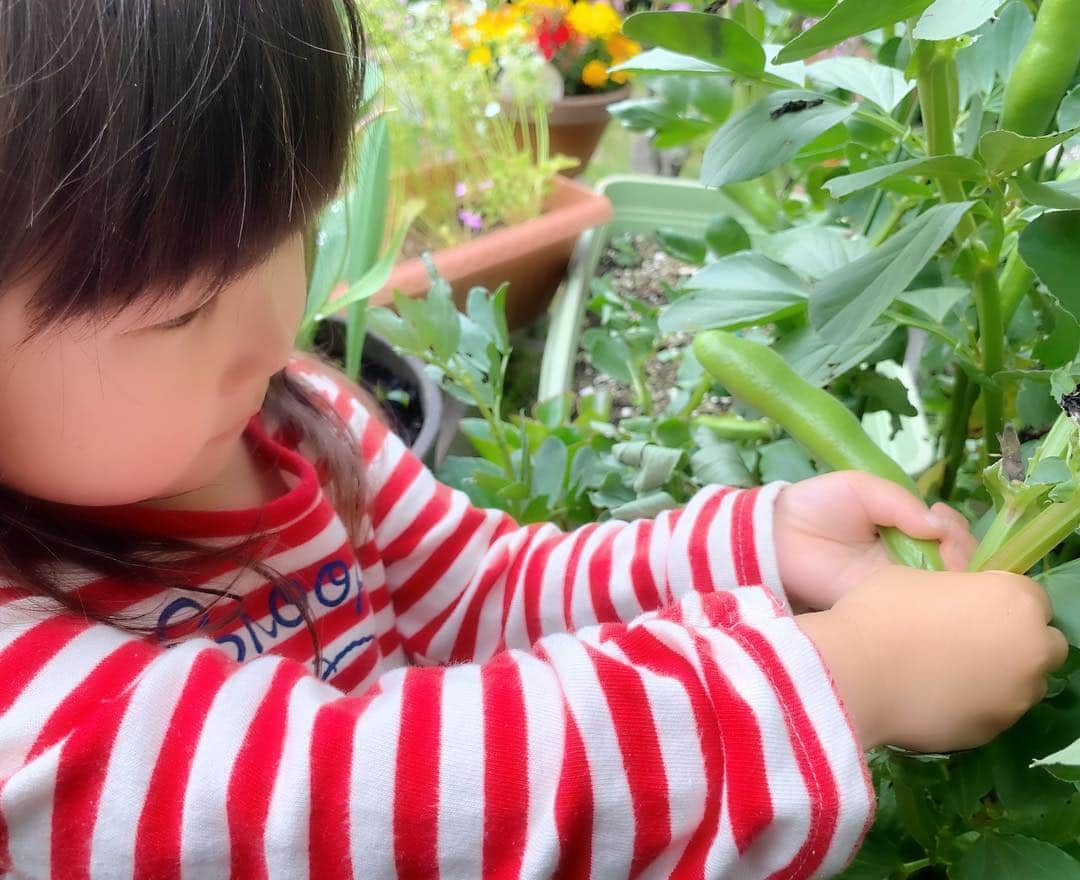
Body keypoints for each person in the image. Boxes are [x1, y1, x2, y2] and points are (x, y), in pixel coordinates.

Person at [0, 2, 1067, 878]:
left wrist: (752, 548)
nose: (280, 328)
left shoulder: (291, 416)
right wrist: (848, 675)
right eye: (179, 311)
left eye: (295, 230)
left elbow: (481, 593)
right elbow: (353, 802)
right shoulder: (23, 703)